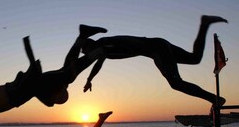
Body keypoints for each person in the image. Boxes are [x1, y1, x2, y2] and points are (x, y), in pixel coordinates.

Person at [81, 15, 228, 106]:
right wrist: (89, 79)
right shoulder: (103, 49)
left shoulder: (103, 43)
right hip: (159, 44)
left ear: (90, 45)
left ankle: (215, 99)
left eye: (86, 52)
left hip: (156, 49)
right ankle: (205, 24)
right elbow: (99, 62)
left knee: (175, 83)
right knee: (194, 58)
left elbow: (100, 60)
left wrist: (89, 78)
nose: (88, 56)